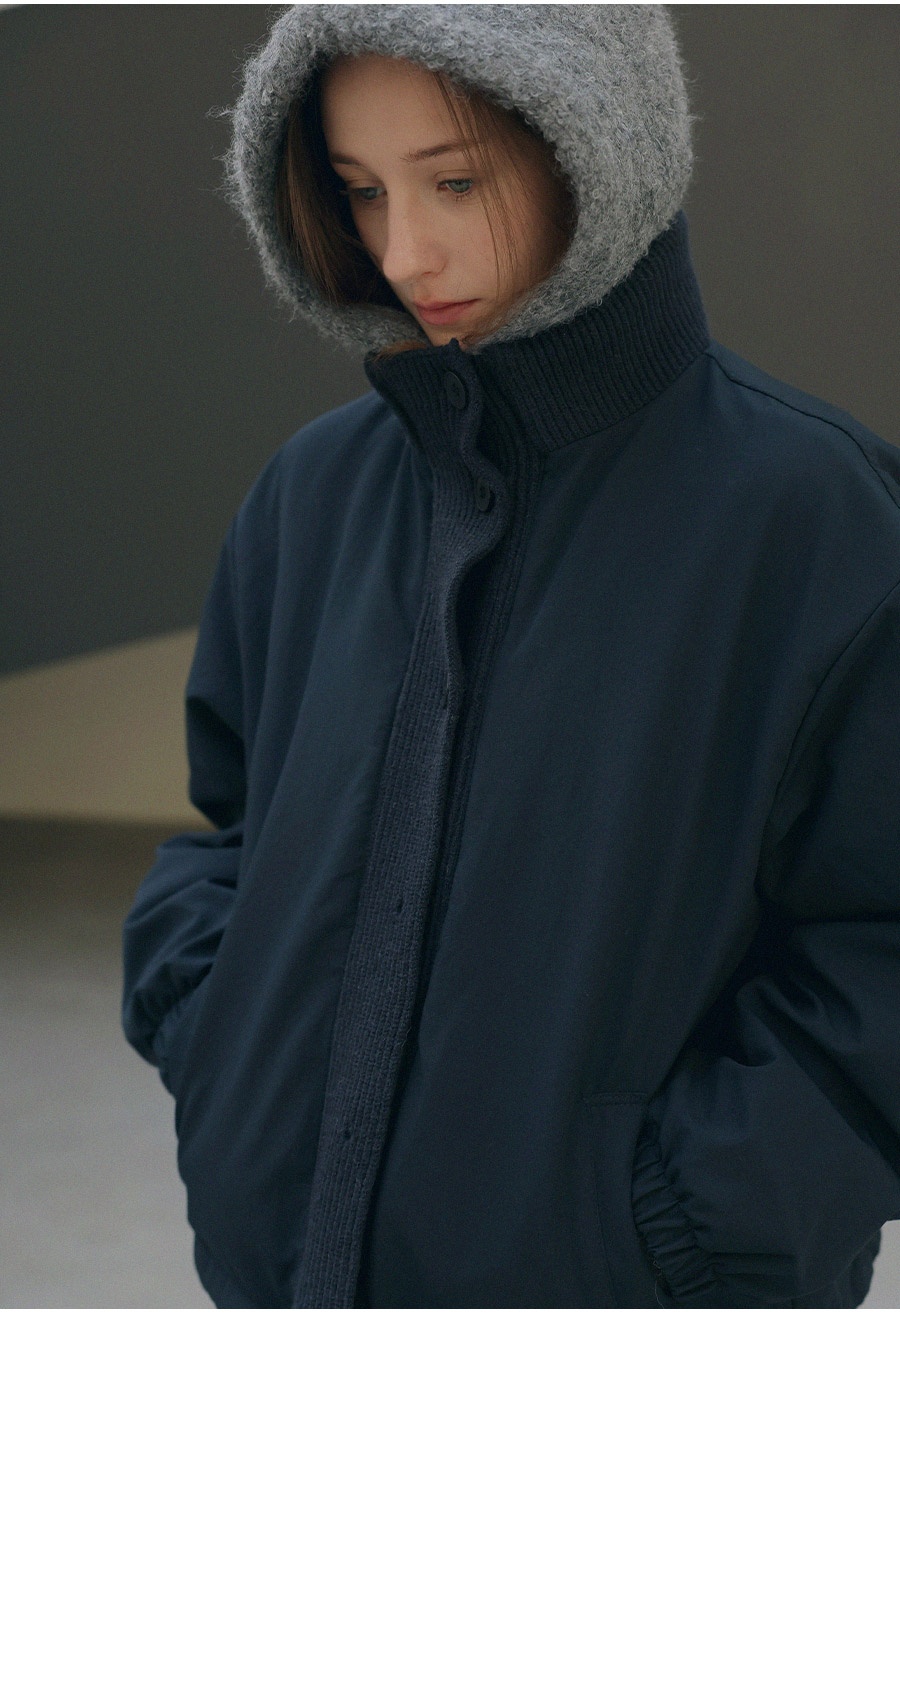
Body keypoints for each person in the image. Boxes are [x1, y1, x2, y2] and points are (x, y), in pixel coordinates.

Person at [121, 4, 900, 1308]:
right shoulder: (312, 495)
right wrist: (222, 1055)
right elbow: (231, 831)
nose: (404, 253)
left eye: (456, 182)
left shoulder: (816, 518)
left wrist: (677, 1219)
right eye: (362, 190)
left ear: (600, 144)